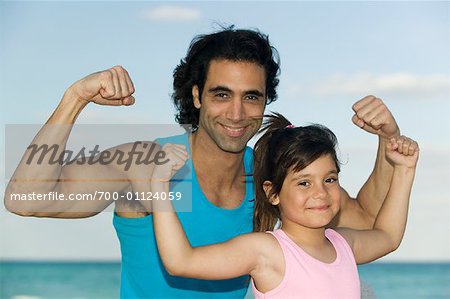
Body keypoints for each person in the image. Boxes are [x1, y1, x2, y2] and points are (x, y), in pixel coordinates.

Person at [5, 27, 401, 298]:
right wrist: (76, 97)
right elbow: (25, 199)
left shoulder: (268, 173)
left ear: (265, 102)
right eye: (221, 94)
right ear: (196, 96)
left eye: (251, 97)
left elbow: (365, 222)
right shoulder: (148, 163)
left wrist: (388, 141)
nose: (236, 113)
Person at [151, 113, 419, 299]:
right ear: (273, 193)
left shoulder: (342, 244)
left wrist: (404, 171)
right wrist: (159, 186)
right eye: (304, 183)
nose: (320, 192)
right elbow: (180, 261)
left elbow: (388, 236)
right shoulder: (267, 250)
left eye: (329, 179)